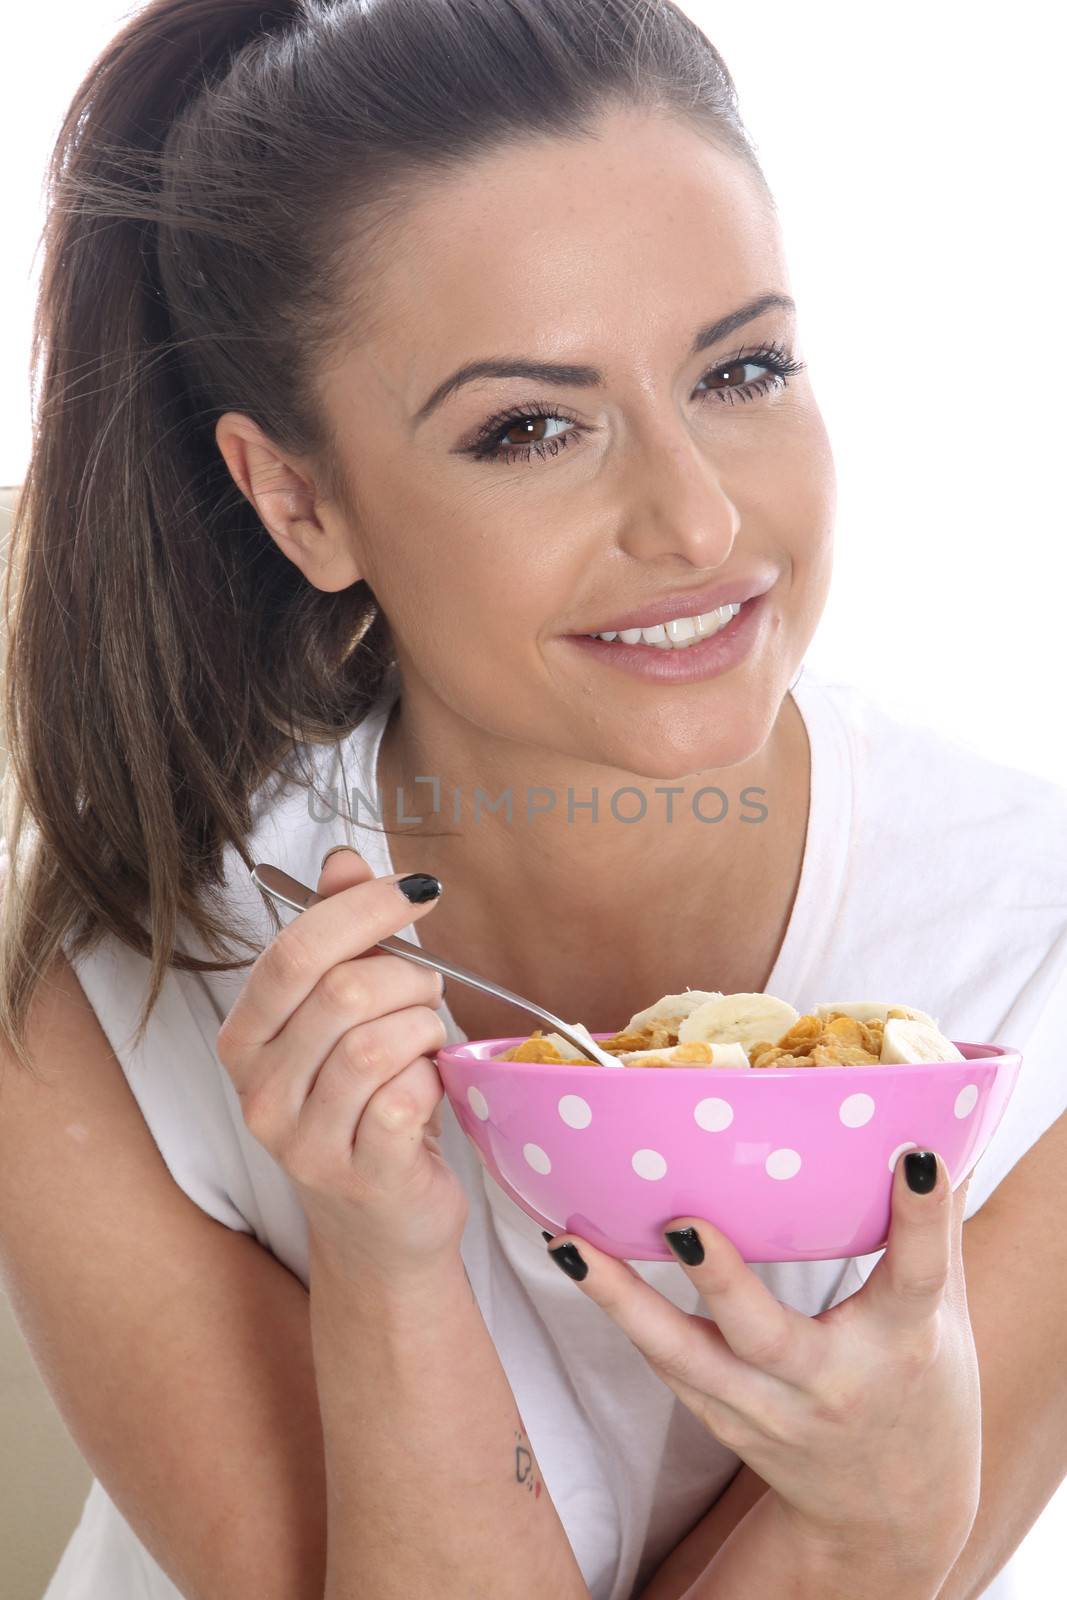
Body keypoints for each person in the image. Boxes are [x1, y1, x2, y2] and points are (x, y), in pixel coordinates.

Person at [0, 1, 1064, 1597]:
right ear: (298, 500)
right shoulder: (105, 998)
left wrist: (876, 1523)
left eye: (743, 368)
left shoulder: (1029, 945)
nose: (699, 523)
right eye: (531, 427)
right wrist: (384, 1254)